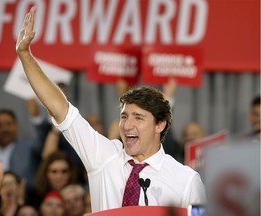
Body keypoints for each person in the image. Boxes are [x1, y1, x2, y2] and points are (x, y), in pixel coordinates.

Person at [16, 6, 206, 212]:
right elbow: (61, 109)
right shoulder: (103, 156)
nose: (127, 125)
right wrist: (25, 55)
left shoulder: (186, 180)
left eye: (138, 118)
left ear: (160, 124)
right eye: (124, 116)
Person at [0, 109, 43, 192]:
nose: (4, 129)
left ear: (17, 126)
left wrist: (37, 118)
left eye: (8, 124)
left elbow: (45, 143)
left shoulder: (30, 147)